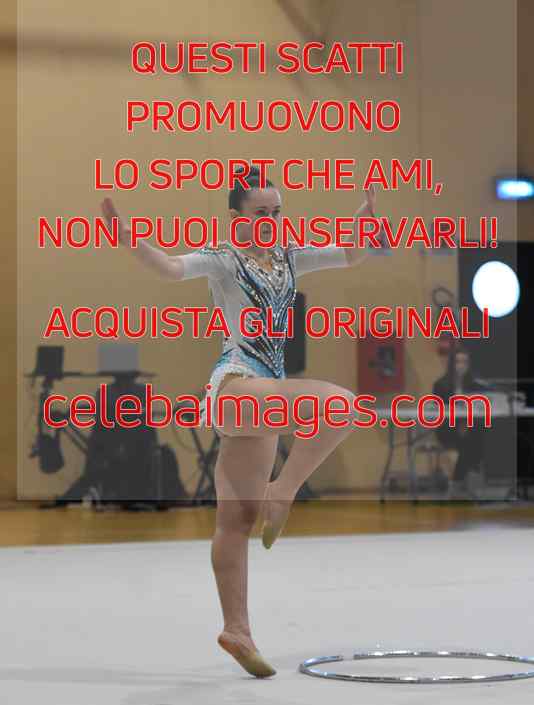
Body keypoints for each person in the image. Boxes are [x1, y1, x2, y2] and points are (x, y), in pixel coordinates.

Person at [101, 167, 379, 677]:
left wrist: (364, 219)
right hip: (236, 385)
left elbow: (351, 253)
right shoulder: (223, 260)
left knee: (236, 520)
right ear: (237, 218)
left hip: (265, 395)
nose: (272, 220)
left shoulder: (290, 256)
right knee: (340, 404)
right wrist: (128, 238)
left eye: (277, 211)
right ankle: (284, 491)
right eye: (261, 212)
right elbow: (168, 267)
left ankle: (238, 630)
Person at [432, 347, 487, 498]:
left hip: (469, 428)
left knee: (475, 436)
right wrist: (458, 424)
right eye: (458, 361)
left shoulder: (475, 384)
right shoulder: (440, 385)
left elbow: (479, 407)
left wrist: (465, 423)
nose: (461, 365)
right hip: (447, 429)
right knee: (472, 441)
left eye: (464, 362)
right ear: (452, 364)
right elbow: (439, 412)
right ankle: (464, 481)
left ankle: (457, 483)